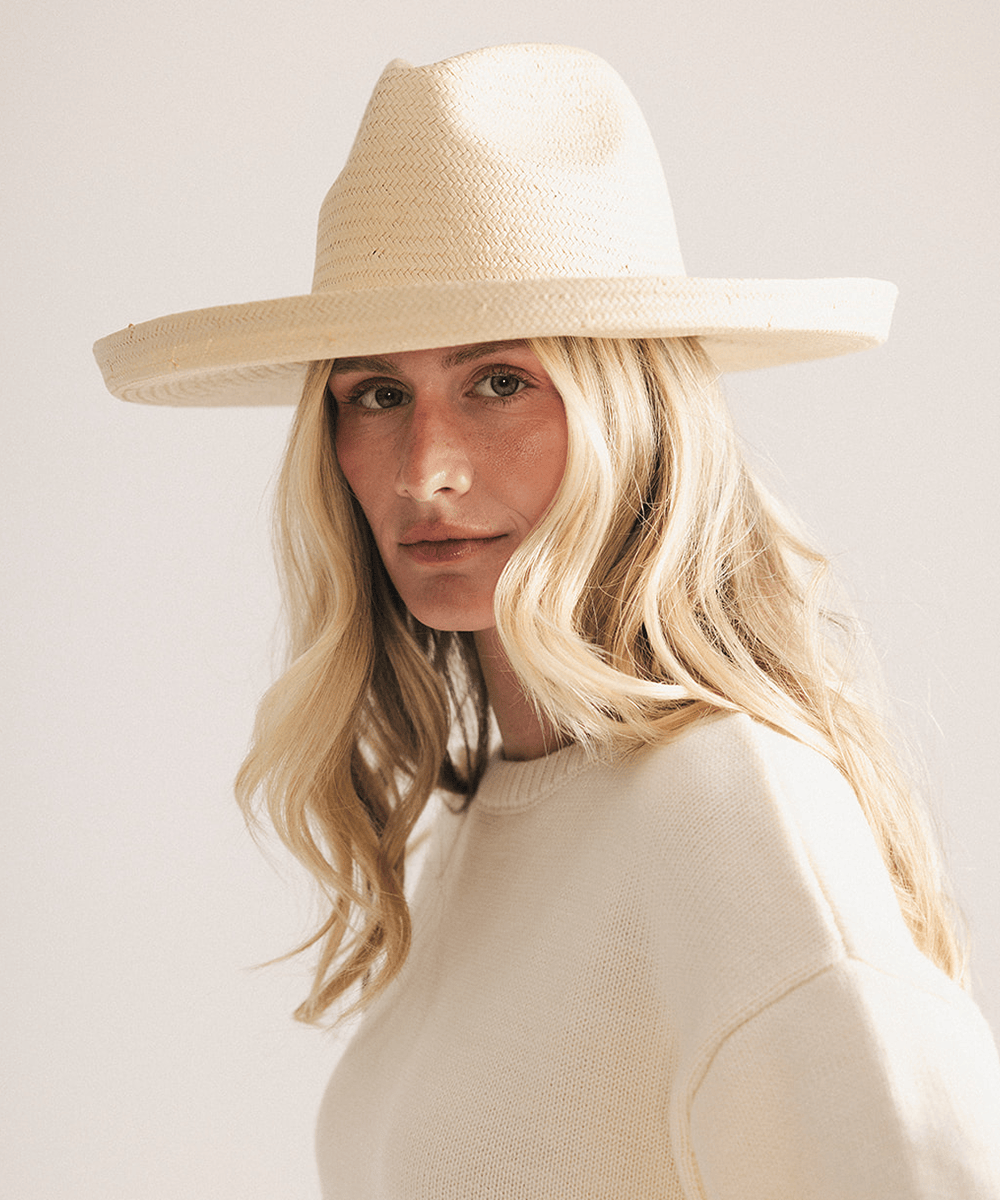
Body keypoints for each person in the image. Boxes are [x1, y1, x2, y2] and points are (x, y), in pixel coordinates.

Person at [94, 42, 1000, 1200]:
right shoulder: (500, 819)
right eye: (378, 394)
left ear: (634, 412)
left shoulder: (730, 815)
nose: (425, 469)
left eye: (499, 382)